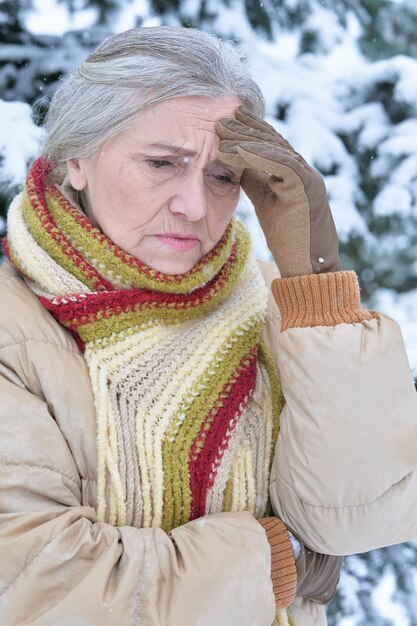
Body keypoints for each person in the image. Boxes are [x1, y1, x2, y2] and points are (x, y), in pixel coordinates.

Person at [0, 25, 416, 626]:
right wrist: (278, 559)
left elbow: (362, 511)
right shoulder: (16, 333)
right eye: (161, 163)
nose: (193, 205)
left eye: (223, 177)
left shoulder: (281, 302)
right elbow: (38, 586)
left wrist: (313, 281)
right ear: (77, 158)